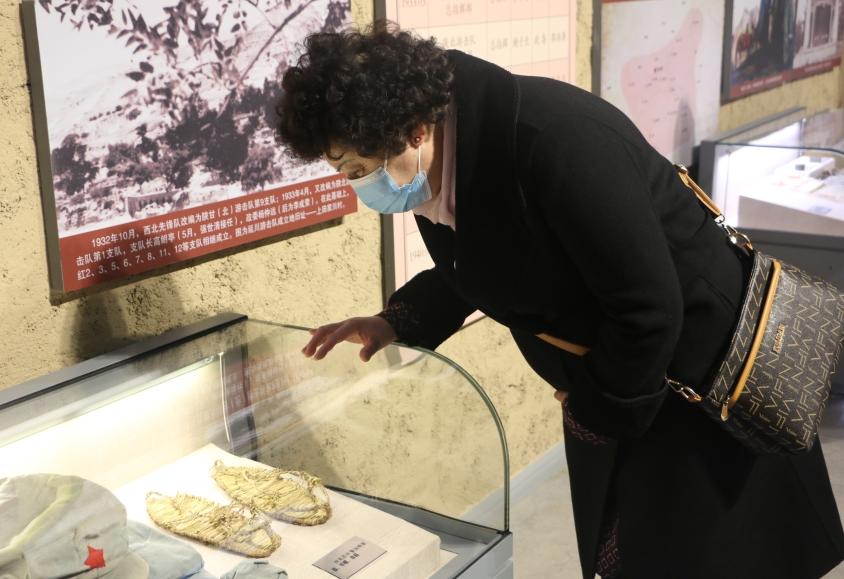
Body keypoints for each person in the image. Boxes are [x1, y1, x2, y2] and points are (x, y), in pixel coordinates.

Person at [276, 22, 844, 578]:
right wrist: (396, 320)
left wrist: (597, 410)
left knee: (709, 548)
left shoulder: (555, 142)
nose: (360, 186)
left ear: (414, 130)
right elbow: (481, 264)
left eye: (359, 169)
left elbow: (649, 309)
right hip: (622, 376)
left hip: (697, 373)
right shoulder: (450, 157)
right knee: (639, 542)